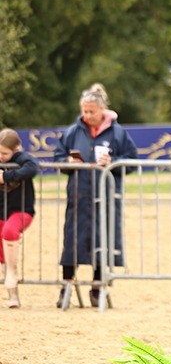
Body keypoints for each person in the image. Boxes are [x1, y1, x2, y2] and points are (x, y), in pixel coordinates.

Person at [52, 83, 138, 308]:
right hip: (79, 197)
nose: (87, 115)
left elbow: (131, 161)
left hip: (106, 197)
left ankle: (97, 287)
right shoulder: (73, 131)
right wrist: (67, 162)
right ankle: (66, 286)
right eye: (84, 111)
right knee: (72, 239)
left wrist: (114, 163)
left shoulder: (118, 133)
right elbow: (58, 156)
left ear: (101, 111)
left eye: (91, 111)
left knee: (103, 239)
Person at [0, 129, 39, 308]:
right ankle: (11, 293)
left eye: (5, 153)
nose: (1, 156)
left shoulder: (22, 159)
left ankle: (12, 280)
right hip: (1, 213)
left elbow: (32, 167)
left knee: (9, 231)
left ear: (15, 150)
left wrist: (6, 177)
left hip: (21, 210)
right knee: (2, 253)